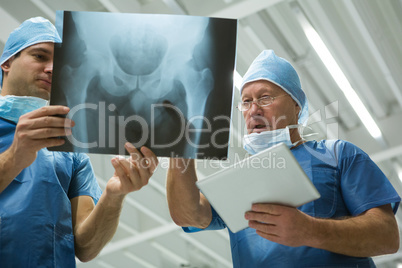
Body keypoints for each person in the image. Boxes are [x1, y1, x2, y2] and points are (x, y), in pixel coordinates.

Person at [166, 50, 401, 267]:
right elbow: (189, 214)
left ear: (297, 106)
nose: (253, 110)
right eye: (246, 102)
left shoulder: (338, 155)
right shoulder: (237, 181)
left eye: (265, 98)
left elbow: (387, 236)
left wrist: (310, 230)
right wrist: (180, 149)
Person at [0, 17, 158, 267]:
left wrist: (113, 195)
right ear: (7, 62)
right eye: (40, 56)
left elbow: (85, 248)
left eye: (59, 62)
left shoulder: (70, 150)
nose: (52, 68)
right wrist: (14, 156)